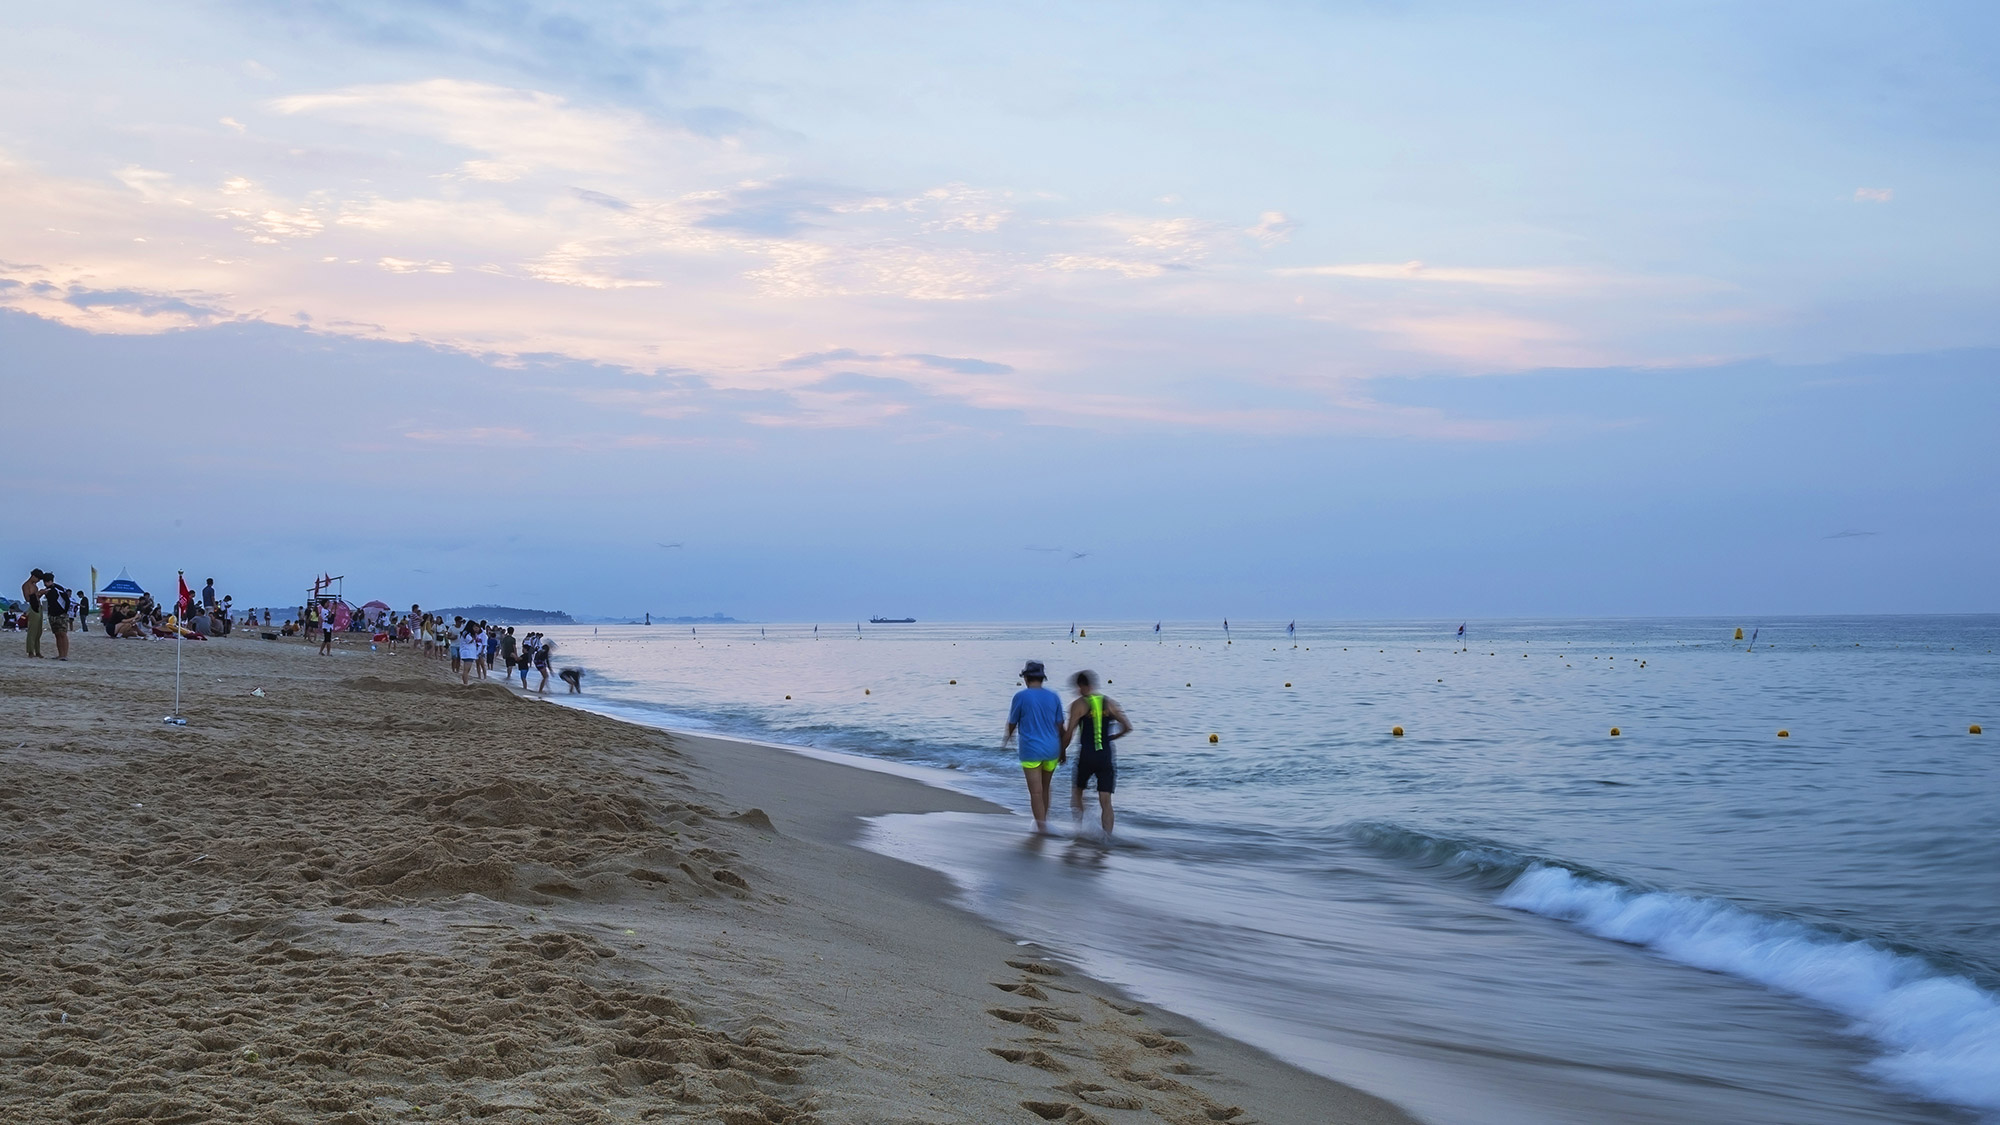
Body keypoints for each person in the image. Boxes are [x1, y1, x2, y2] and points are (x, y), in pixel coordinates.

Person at [1063, 669, 1134, 839]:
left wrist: (1061, 751)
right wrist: (1113, 737)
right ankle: (1107, 839)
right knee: (1106, 801)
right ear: (1092, 685)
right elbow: (1127, 727)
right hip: (1105, 756)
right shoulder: (1109, 703)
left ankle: (1080, 830)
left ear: (1080, 686)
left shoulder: (1078, 704)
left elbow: (1069, 733)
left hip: (1086, 756)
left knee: (1077, 793)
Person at [1003, 660, 1066, 832]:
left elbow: (1012, 722)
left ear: (1026, 678)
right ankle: (1045, 822)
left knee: (1035, 792)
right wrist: (1063, 750)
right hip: (1052, 749)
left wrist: (1007, 739)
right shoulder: (1054, 696)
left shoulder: (1021, 697)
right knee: (1046, 787)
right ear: (1042, 678)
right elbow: (1060, 726)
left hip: (1030, 750)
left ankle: (1041, 828)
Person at [43, 575, 71, 660]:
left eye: (47, 581)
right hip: (52, 614)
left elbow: (67, 600)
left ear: (51, 581)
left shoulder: (58, 588)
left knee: (63, 634)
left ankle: (64, 655)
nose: (46, 583)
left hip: (61, 614)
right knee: (57, 634)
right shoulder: (47, 591)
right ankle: (60, 654)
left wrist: (64, 612)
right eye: (45, 582)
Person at [20, 569, 46, 658]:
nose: (38, 581)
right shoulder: (26, 585)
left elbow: (37, 597)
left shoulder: (35, 586)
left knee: (38, 631)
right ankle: (31, 651)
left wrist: (41, 593)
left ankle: (37, 651)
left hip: (39, 606)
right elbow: (28, 599)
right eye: (38, 579)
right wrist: (38, 593)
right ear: (33, 576)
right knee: (32, 630)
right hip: (33, 607)